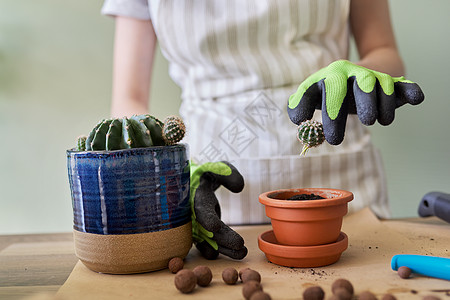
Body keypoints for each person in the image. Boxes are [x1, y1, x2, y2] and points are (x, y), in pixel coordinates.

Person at [101, 0, 414, 225]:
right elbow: (129, 99)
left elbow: (384, 49)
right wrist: (171, 182)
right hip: (210, 188)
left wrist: (360, 75)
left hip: (341, 177)